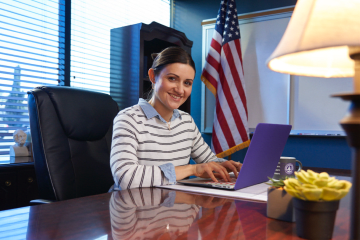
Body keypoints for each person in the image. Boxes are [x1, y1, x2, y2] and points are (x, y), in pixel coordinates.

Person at [110, 46, 241, 190]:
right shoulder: (128, 119)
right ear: (153, 76)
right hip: (138, 208)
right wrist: (192, 169)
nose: (180, 90)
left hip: (176, 205)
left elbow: (209, 162)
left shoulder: (186, 121)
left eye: (187, 83)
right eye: (172, 78)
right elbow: (124, 177)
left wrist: (226, 166)